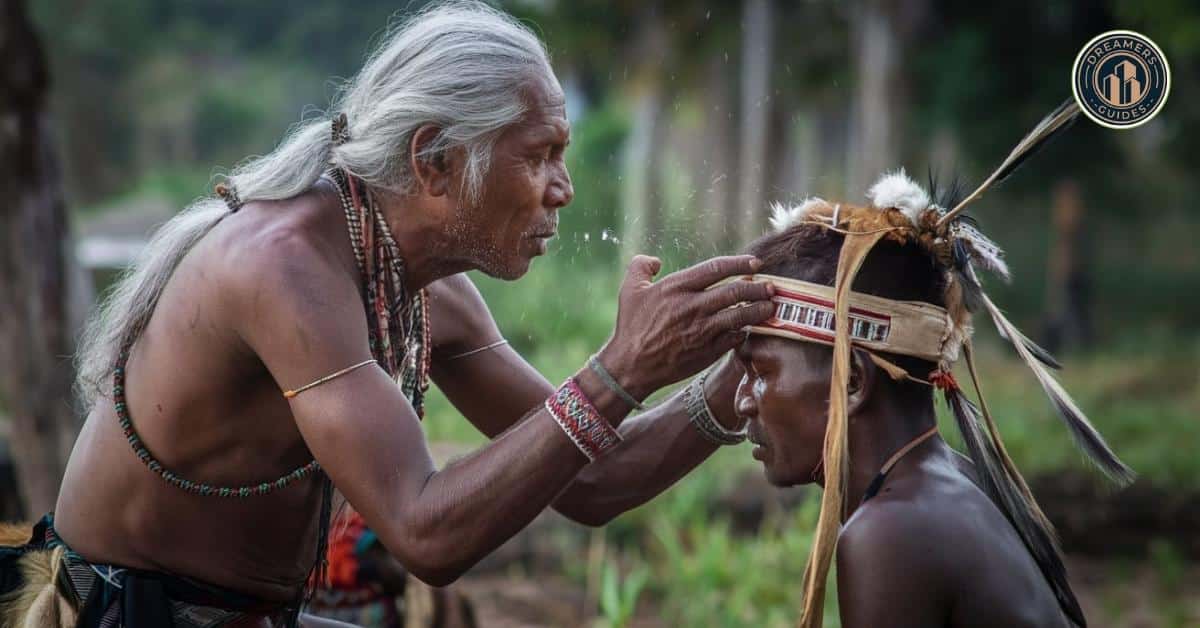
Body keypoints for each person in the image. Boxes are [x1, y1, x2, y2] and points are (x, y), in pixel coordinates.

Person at [0, 2, 775, 626]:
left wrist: (733, 379)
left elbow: (593, 480)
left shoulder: (422, 287)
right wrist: (621, 368)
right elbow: (425, 532)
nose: (563, 189)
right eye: (538, 156)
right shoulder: (283, 268)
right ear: (434, 159)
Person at [730, 102, 1132, 628]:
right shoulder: (947, 481)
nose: (739, 399)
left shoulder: (890, 533)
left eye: (759, 373)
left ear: (851, 382)